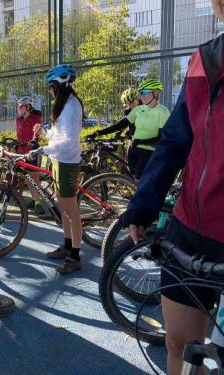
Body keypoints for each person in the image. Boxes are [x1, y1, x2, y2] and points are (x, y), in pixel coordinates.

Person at [123, 1, 224, 373]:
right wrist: (144, 203)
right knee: (181, 344)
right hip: (191, 229)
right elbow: (176, 140)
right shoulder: (205, 60)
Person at [27, 64, 84, 274]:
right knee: (64, 209)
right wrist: (43, 132)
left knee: (71, 211)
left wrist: (42, 149)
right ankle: (68, 246)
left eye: (51, 86)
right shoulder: (63, 105)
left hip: (67, 162)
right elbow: (58, 136)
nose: (50, 90)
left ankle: (75, 256)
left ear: (59, 85)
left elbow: (68, 142)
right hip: (59, 160)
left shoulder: (71, 106)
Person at [15, 96, 45, 215]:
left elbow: (36, 131)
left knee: (34, 176)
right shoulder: (18, 119)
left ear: (28, 107)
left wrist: (34, 140)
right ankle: (34, 198)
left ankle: (38, 203)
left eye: (21, 106)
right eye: (18, 106)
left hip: (32, 151)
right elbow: (17, 133)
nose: (19, 108)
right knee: (27, 177)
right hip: (22, 152)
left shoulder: (36, 117)